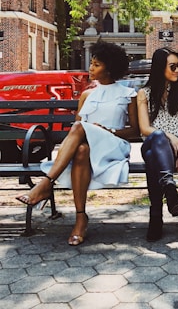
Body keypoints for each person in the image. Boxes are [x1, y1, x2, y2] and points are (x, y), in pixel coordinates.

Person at [16, 40, 139, 245]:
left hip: (113, 146)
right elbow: (79, 133)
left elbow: (135, 130)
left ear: (109, 69)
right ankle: (80, 218)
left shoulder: (128, 94)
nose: (90, 68)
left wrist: (109, 130)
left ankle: (46, 183)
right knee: (81, 149)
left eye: (96, 64)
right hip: (88, 147)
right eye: (91, 63)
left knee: (79, 127)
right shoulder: (87, 95)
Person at [137, 47, 178, 242]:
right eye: (173, 66)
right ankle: (168, 185)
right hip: (154, 142)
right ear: (160, 68)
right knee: (158, 139)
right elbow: (145, 128)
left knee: (154, 159)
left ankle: (156, 216)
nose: (177, 70)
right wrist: (170, 136)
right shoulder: (144, 93)